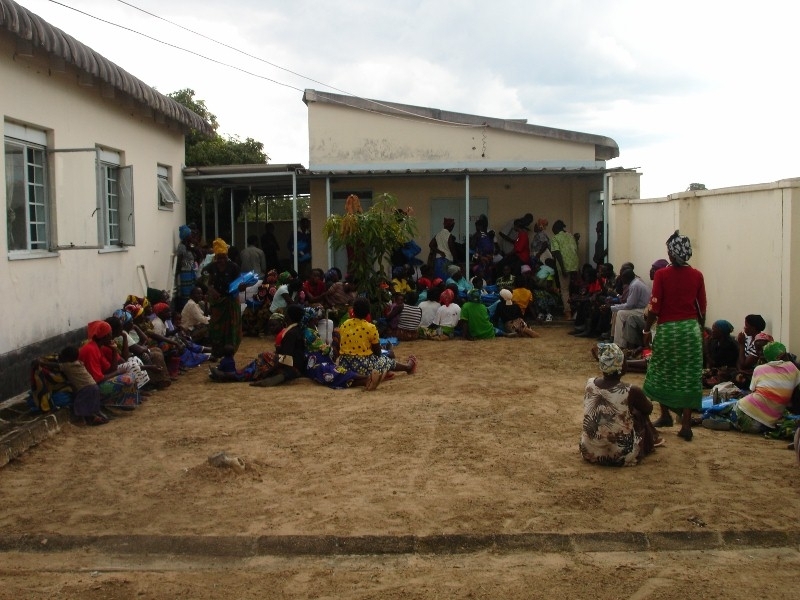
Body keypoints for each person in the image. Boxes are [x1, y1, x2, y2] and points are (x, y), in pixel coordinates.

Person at [643, 231, 707, 441]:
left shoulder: (662, 275)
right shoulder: (697, 275)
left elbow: (654, 307)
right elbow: (702, 309)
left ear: (671, 253)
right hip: (690, 331)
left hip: (669, 330)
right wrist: (699, 332)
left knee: (662, 370)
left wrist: (646, 330)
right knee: (689, 375)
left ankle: (665, 415)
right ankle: (686, 425)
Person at [580, 343, 663, 466]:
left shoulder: (590, 383)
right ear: (622, 366)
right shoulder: (631, 390)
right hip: (620, 456)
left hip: (589, 451)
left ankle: (651, 438)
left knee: (625, 412)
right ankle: (650, 442)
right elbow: (648, 409)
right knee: (639, 414)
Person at [702, 342, 800, 433]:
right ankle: (730, 422)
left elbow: (752, 390)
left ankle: (715, 419)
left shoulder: (759, 369)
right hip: (764, 425)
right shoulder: (794, 369)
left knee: (725, 407)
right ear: (781, 356)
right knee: (745, 415)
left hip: (743, 411)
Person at [209, 304, 307, 387]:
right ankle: (232, 375)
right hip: (294, 365)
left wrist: (273, 358)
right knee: (262, 361)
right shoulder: (295, 330)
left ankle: (230, 375)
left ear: (289, 316)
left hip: (292, 366)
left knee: (264, 358)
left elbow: (288, 357)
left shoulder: (291, 333)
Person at [333, 297, 418, 390]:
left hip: (344, 364)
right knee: (385, 360)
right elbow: (377, 353)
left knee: (379, 359)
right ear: (368, 312)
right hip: (363, 364)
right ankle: (408, 367)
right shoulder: (371, 327)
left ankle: (376, 377)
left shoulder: (344, 324)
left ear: (353, 310)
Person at [201, 238, 247, 359]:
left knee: (232, 327)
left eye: (223, 257)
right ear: (215, 257)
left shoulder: (234, 267)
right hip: (218, 303)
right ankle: (216, 352)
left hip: (231, 301)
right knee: (216, 327)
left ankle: (229, 351)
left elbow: (240, 283)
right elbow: (205, 281)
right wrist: (212, 290)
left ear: (227, 256)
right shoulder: (211, 267)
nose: (221, 260)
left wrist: (242, 287)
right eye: (219, 258)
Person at [78, 320, 139, 410]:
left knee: (130, 374)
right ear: (106, 336)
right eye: (110, 334)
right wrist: (118, 372)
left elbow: (110, 370)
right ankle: (114, 403)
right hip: (91, 387)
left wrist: (114, 350)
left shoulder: (97, 347)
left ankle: (126, 403)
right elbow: (98, 379)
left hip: (97, 382)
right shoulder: (91, 350)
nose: (112, 337)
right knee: (128, 378)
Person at [55, 346, 109, 425]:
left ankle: (90, 418)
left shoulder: (67, 366)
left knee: (79, 404)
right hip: (93, 386)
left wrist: (41, 363)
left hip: (86, 388)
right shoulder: (78, 362)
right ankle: (100, 417)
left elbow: (55, 366)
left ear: (67, 358)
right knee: (91, 405)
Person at [609, 268, 649, 348]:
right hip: (640, 308)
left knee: (620, 313)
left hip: (644, 310)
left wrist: (611, 307)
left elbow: (629, 305)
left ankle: (619, 344)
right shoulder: (635, 283)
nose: (621, 280)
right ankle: (614, 338)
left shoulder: (634, 285)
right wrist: (614, 307)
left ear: (626, 278)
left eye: (622, 277)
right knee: (617, 311)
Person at [550, 220, 579, 320]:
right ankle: (576, 311)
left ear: (556, 228)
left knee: (565, 290)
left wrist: (563, 268)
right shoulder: (571, 236)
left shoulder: (555, 238)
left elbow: (557, 253)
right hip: (574, 266)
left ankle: (568, 312)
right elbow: (576, 249)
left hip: (564, 267)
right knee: (574, 288)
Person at [702, 319, 739, 386]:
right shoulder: (715, 342)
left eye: (714, 329)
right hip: (717, 370)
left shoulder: (730, 345)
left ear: (721, 331)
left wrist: (706, 346)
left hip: (727, 372)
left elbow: (714, 363)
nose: (712, 332)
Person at [175, 224, 198, 312]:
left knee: (191, 291)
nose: (191, 236)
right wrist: (178, 271)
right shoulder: (182, 246)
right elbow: (180, 260)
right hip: (185, 273)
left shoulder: (188, 246)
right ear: (186, 236)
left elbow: (197, 253)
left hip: (190, 272)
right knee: (186, 293)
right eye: (190, 235)